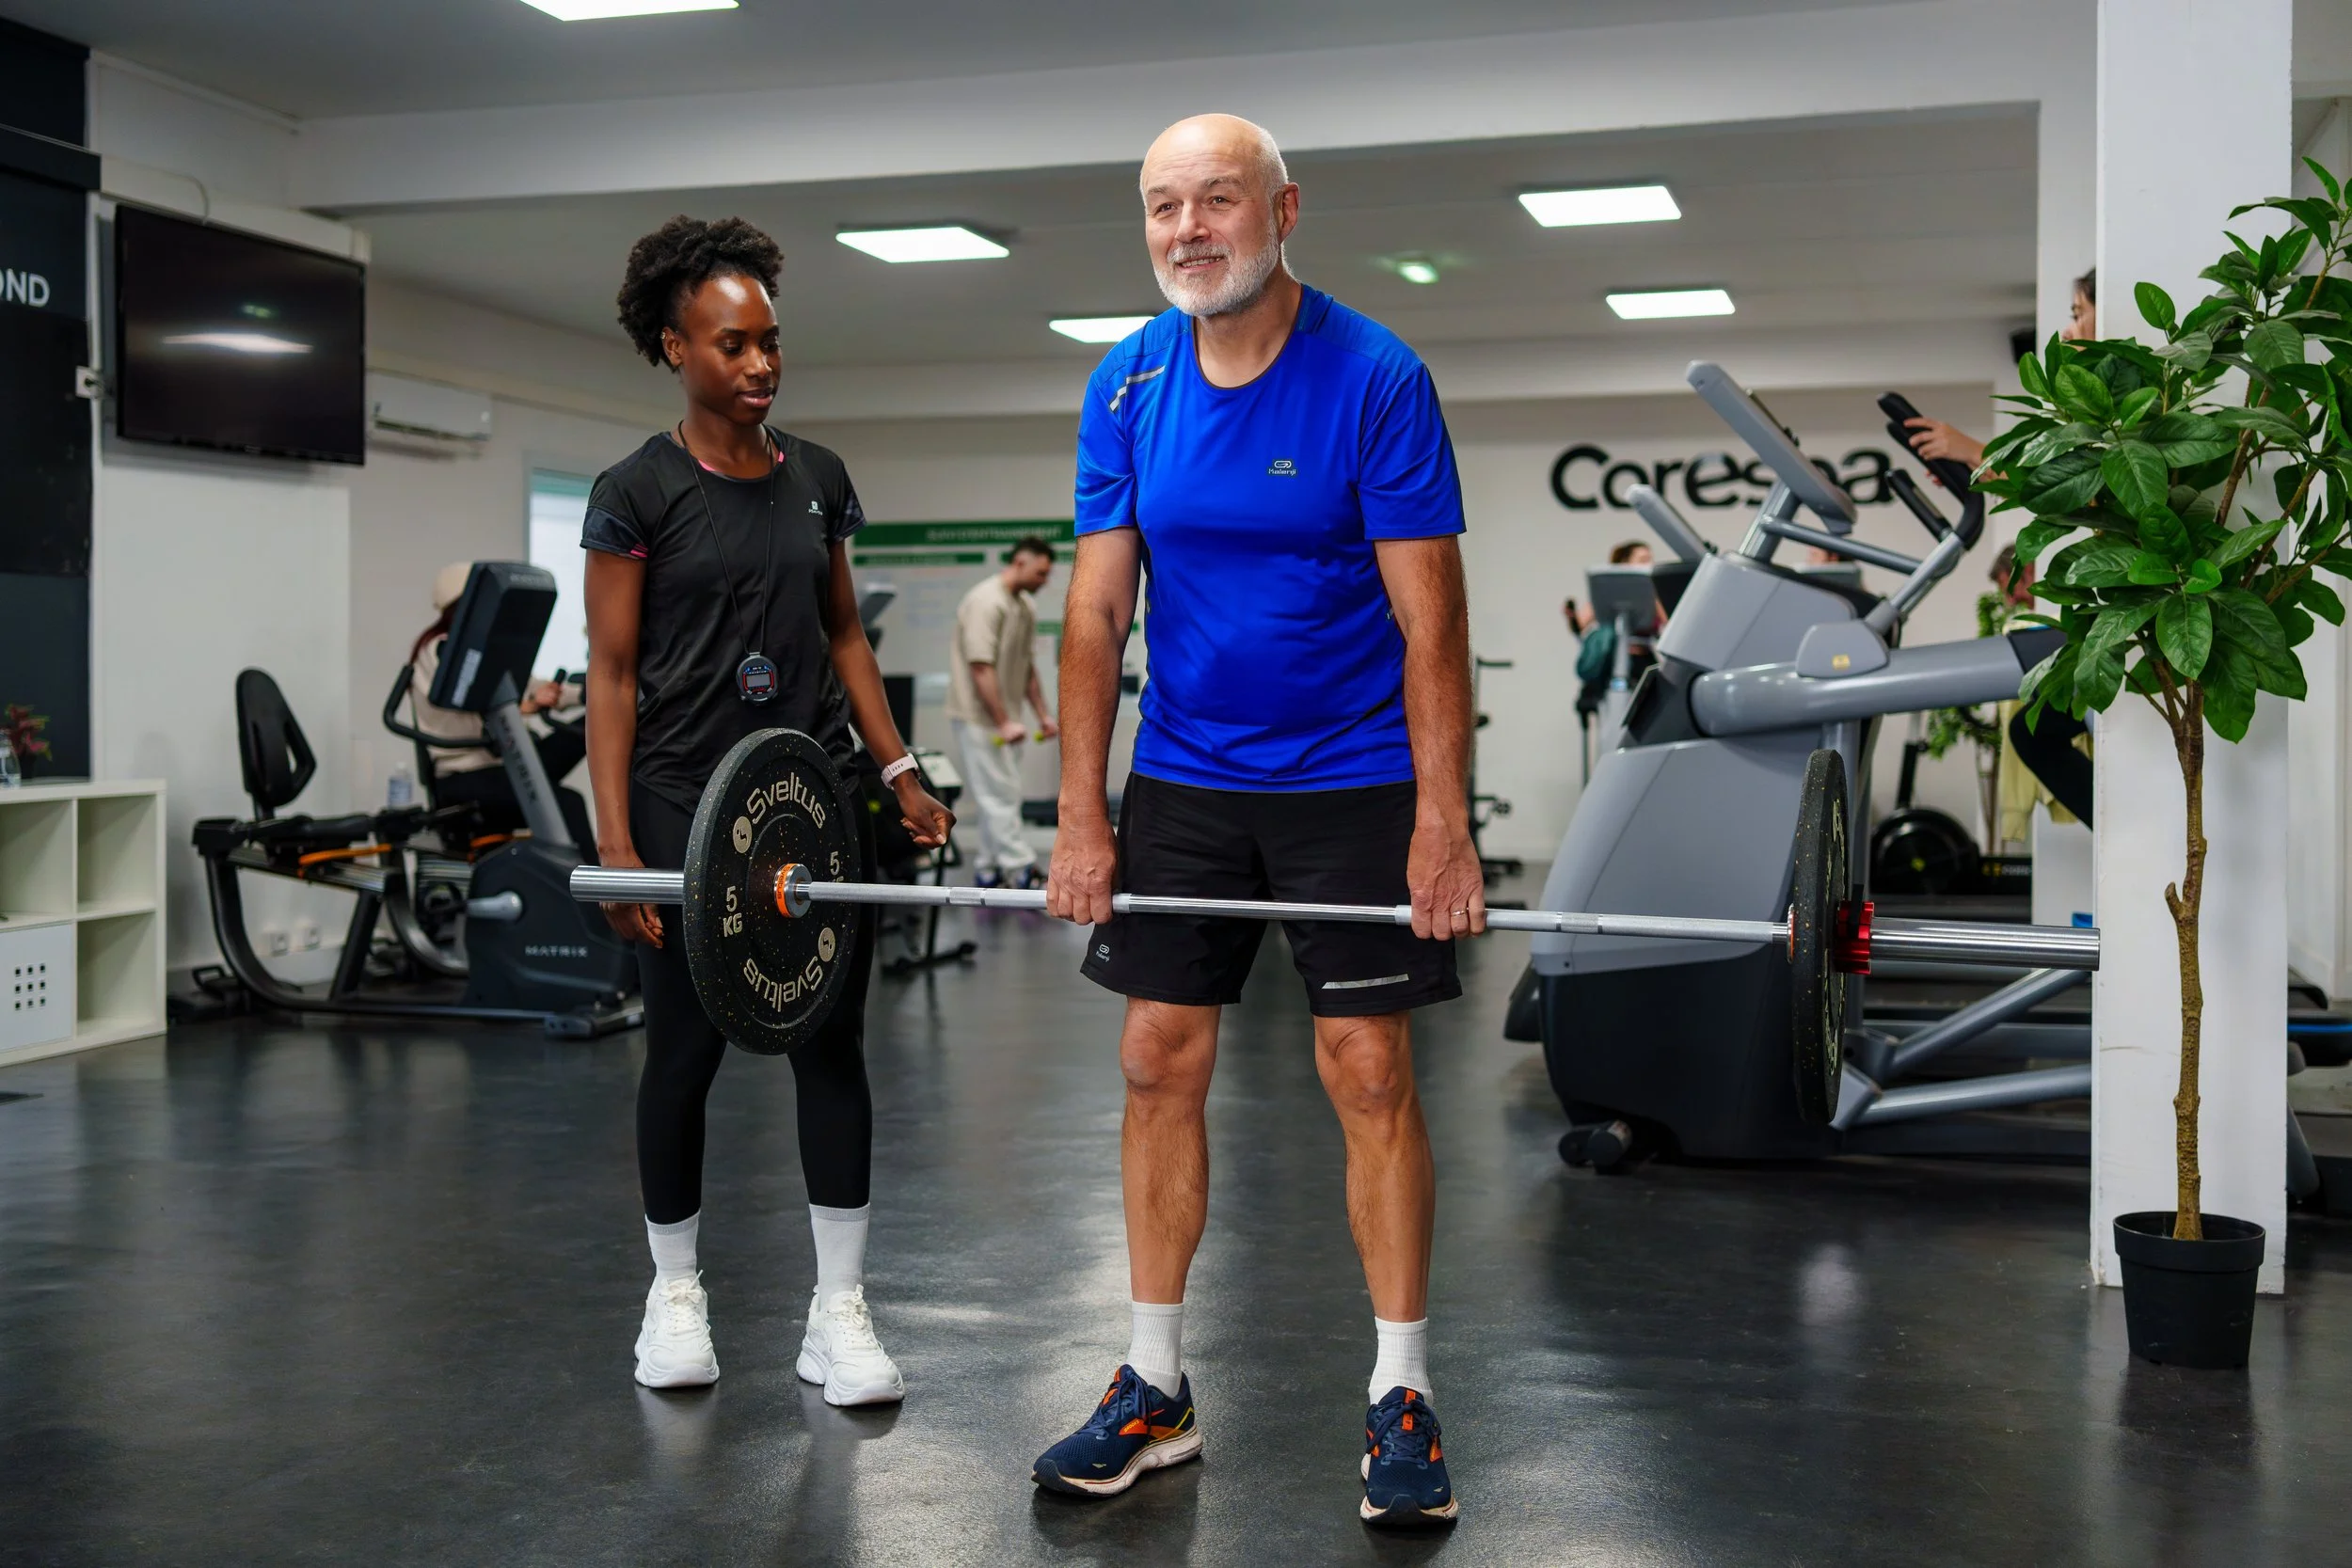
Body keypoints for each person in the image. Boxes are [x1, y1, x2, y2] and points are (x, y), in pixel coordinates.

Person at [1038, 114, 1479, 1528]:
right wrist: (1081, 814)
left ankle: (1400, 1386)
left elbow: (1434, 626)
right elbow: (1098, 611)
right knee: (1156, 1053)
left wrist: (1444, 822)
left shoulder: (1376, 375)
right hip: (1186, 774)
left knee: (1366, 1068)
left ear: (1284, 208)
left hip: (1351, 777)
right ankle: (1154, 1381)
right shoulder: (1127, 381)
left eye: (1214, 199)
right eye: (1162, 204)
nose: (1187, 229)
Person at [580, 215, 954, 1403]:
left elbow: (845, 633)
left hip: (807, 801)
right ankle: (673, 1295)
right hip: (682, 801)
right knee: (682, 1053)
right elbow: (612, 674)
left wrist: (897, 770)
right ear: (672, 348)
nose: (759, 364)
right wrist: (617, 839)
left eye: (770, 342)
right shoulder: (634, 491)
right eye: (732, 344)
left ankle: (837, 1311)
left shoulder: (819, 480)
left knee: (830, 1047)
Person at [405, 561, 595, 851]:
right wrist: (528, 706)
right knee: (567, 803)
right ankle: (590, 894)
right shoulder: (443, 650)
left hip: (503, 765)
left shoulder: (481, 649)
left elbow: (531, 684)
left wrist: (590, 694)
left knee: (596, 722)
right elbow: (468, 705)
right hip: (466, 778)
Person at [944, 537, 1059, 888]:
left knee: (998, 793)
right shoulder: (986, 601)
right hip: (980, 717)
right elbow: (981, 666)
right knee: (1001, 794)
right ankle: (1020, 867)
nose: (1044, 581)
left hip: (1006, 719)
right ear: (1020, 563)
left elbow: (1026, 666)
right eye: (1040, 573)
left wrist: (1042, 715)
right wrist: (1003, 721)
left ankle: (988, 868)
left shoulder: (1024, 605)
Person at [1904, 268, 2098, 476]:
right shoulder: (2085, 407)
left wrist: (1972, 452)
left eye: (2078, 315)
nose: (2067, 332)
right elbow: (2046, 490)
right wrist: (1975, 469)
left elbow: (2056, 489)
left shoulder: (2111, 414)